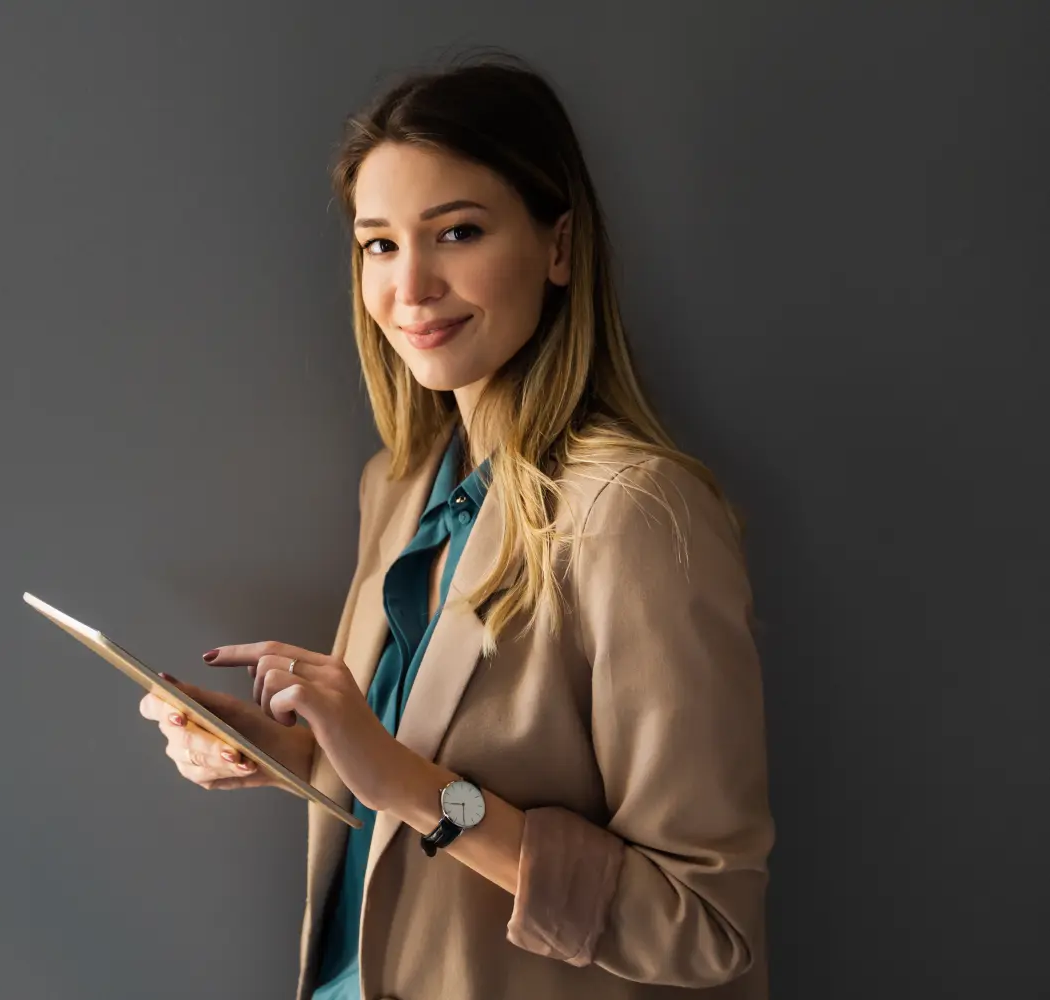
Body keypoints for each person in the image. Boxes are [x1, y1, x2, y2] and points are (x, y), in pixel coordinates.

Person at [137, 52, 774, 1000]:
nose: (411, 287)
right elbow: (409, 758)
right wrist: (293, 751)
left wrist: (407, 785)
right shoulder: (398, 486)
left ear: (559, 247)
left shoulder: (635, 514)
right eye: (379, 245)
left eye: (458, 232)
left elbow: (707, 929)